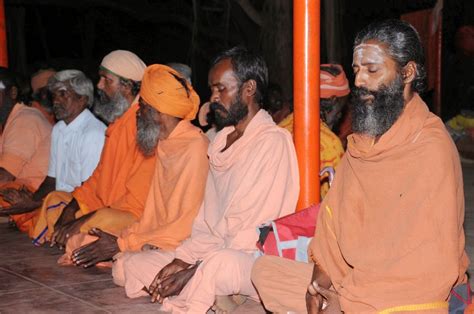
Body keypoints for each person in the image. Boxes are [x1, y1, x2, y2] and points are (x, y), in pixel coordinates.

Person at [252, 19, 470, 313]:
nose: (359, 82)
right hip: (354, 287)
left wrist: (351, 298)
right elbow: (333, 229)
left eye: (372, 70)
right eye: (356, 70)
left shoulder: (430, 147)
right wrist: (321, 283)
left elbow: (424, 267)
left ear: (407, 73)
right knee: (264, 272)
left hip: (408, 297)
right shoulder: (362, 143)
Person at [113, 47, 299, 313]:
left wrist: (195, 269)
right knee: (127, 265)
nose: (213, 98)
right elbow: (204, 223)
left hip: (249, 259)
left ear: (249, 89)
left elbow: (250, 236)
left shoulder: (272, 143)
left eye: (220, 89)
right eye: (212, 89)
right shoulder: (221, 141)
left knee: (217, 266)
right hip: (211, 253)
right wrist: (182, 259)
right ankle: (211, 295)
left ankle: (206, 290)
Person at [66, 64, 208, 268]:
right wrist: (127, 240)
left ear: (158, 112)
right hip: (152, 236)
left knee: (128, 269)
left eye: (142, 107)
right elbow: (152, 215)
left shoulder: (195, 148)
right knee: (79, 243)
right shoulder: (165, 143)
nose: (138, 114)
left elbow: (184, 226)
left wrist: (124, 243)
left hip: (178, 241)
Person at [30, 50, 156, 250]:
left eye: (106, 80)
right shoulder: (118, 124)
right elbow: (98, 177)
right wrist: (72, 209)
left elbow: (136, 202)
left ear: (127, 85)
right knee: (58, 201)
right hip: (105, 206)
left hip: (130, 215)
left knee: (98, 220)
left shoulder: (145, 125)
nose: (98, 86)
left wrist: (86, 218)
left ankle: (77, 243)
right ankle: (72, 240)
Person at [0, 70, 106, 237]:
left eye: (63, 94)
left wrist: (34, 204)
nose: (56, 101)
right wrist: (33, 201)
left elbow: (90, 192)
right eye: (54, 95)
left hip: (81, 205)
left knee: (49, 209)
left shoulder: (93, 133)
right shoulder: (59, 129)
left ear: (83, 98)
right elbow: (51, 180)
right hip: (60, 202)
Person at [264, 68, 348, 198]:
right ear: (333, 100)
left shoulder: (282, 127)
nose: (342, 114)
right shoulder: (331, 144)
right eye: (342, 105)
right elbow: (335, 202)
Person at [0, 68, 52, 232]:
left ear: (12, 92)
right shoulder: (10, 121)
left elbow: (4, 177)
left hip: (33, 197)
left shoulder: (25, 119)